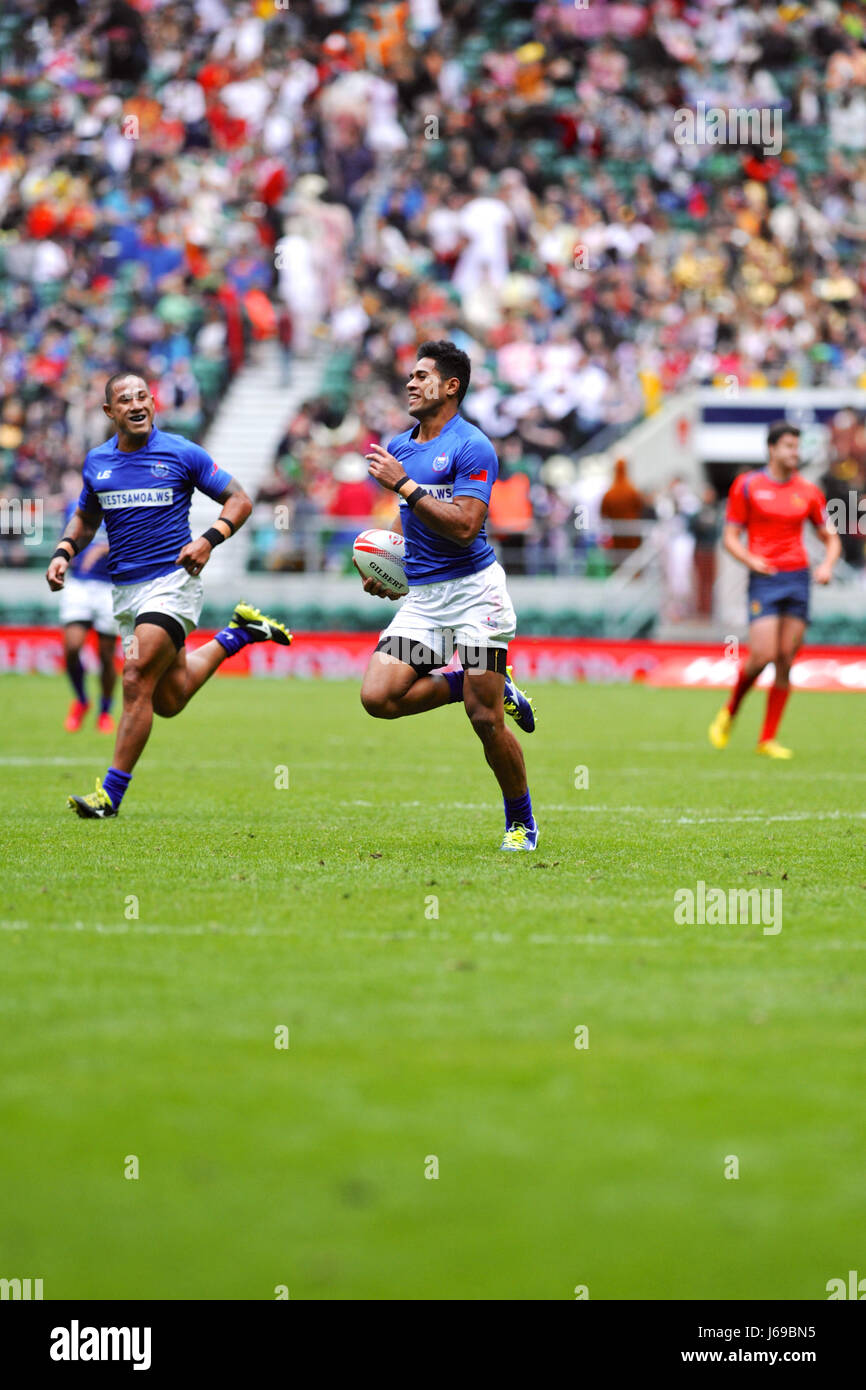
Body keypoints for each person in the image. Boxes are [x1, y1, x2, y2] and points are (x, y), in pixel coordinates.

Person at [46, 371, 293, 818]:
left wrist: (208, 539)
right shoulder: (97, 463)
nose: (137, 404)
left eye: (143, 396)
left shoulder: (181, 452)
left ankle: (109, 796)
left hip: (172, 583)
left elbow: (239, 499)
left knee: (136, 676)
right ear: (110, 411)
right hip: (125, 592)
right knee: (168, 699)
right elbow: (85, 517)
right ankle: (238, 634)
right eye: (125, 399)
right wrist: (64, 550)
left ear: (154, 403)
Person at [355, 340, 539, 851]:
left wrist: (405, 485)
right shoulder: (401, 445)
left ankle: (520, 821)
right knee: (378, 698)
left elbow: (466, 526)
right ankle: (472, 681)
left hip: (476, 596)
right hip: (426, 601)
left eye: (421, 376)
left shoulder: (472, 446)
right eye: (410, 376)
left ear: (450, 386)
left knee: (484, 721)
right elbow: (406, 518)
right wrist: (388, 565)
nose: (410, 384)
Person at [709, 422, 841, 759]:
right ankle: (731, 710)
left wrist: (826, 565)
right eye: (788, 446)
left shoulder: (808, 491)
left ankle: (767, 739)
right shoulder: (748, 485)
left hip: (797, 578)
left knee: (785, 660)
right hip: (765, 578)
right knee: (763, 655)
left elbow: (831, 537)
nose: (794, 453)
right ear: (772, 449)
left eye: (797, 447)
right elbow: (730, 537)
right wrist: (750, 559)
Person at [56, 497, 118, 733]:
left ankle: (104, 711)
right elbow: (69, 535)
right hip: (79, 584)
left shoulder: (121, 498)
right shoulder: (75, 505)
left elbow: (136, 538)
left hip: (110, 586)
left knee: (106, 655)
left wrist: (103, 549)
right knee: (72, 647)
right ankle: (82, 699)